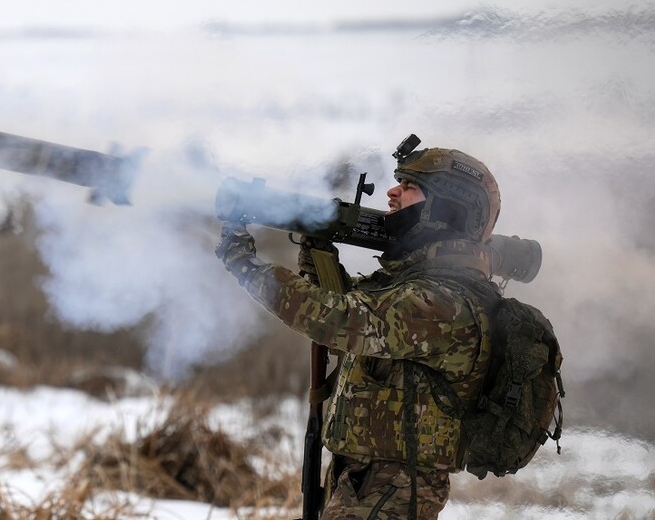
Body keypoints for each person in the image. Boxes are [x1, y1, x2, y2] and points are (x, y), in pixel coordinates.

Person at [215, 146, 502, 519]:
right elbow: (358, 314)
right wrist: (318, 255)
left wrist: (243, 263)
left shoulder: (442, 301)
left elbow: (339, 321)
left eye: (410, 186)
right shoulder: (415, 287)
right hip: (366, 481)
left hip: (393, 490)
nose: (392, 193)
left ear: (448, 208)